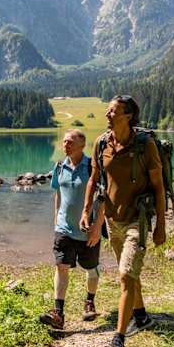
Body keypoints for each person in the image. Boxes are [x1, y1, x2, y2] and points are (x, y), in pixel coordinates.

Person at [80, 95, 166, 347]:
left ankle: (118, 339)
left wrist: (161, 224)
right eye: (108, 110)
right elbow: (94, 179)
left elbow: (159, 186)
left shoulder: (145, 145)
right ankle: (140, 317)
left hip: (137, 220)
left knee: (125, 277)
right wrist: (86, 210)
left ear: (128, 115)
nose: (108, 114)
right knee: (127, 272)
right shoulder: (101, 143)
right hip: (112, 220)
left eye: (113, 111)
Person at [39, 129, 103, 330]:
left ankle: (89, 301)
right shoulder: (59, 167)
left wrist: (97, 227)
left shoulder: (93, 167)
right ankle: (58, 313)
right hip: (64, 229)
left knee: (91, 269)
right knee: (61, 266)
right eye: (64, 141)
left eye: (70, 142)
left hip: (88, 230)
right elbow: (58, 194)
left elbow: (102, 198)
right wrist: (56, 219)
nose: (65, 145)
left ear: (82, 145)